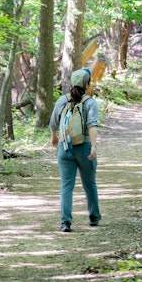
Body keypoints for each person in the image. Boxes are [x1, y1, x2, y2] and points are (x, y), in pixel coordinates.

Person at [49, 68, 101, 232]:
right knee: (89, 184)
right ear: (87, 84)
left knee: (66, 186)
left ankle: (65, 222)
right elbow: (92, 125)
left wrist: (54, 138)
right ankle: (93, 217)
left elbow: (53, 124)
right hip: (84, 148)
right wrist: (93, 146)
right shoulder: (90, 103)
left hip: (65, 148)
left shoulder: (62, 101)